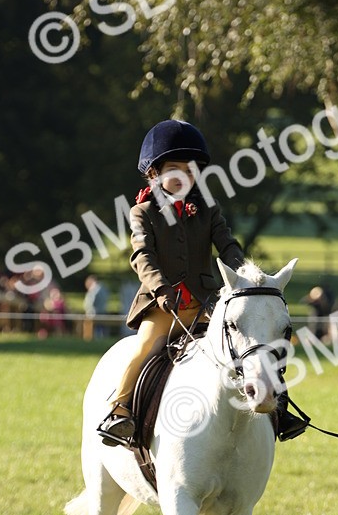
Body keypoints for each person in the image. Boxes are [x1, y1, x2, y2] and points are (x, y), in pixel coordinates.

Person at [98, 119, 307, 446]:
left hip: (209, 303)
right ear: (154, 173)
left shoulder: (207, 209)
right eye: (174, 168)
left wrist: (248, 277)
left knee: (251, 343)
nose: (184, 176)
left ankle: (280, 409)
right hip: (163, 305)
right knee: (143, 348)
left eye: (191, 170)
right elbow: (142, 256)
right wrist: (160, 288)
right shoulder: (142, 212)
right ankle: (120, 409)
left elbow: (227, 244)